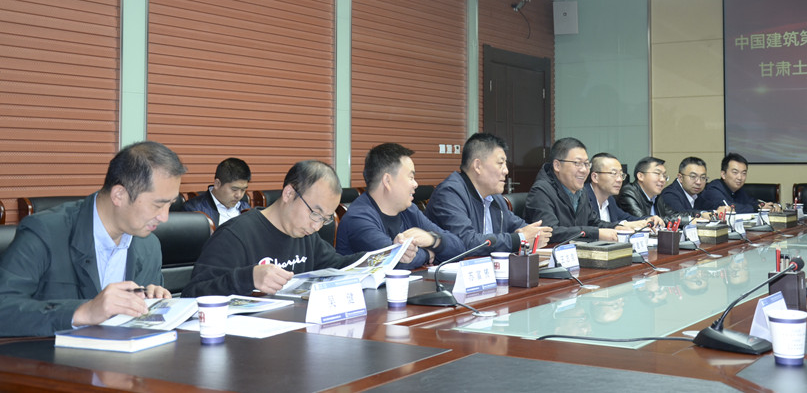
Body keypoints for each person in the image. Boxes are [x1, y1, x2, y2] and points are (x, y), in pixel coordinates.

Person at [0, 141, 185, 337]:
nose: (164, 217)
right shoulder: (45, 232)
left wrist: (151, 301)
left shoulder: (149, 245)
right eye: (158, 205)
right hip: (49, 354)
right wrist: (84, 312)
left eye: (170, 204)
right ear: (119, 195)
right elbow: (4, 308)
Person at [182, 160, 390, 297]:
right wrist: (249, 278)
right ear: (289, 194)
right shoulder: (235, 235)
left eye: (325, 219)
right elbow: (192, 294)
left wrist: (388, 255)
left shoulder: (305, 234)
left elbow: (338, 266)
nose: (317, 226)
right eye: (315, 213)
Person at [335, 143, 465, 270]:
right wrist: (428, 254)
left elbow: (460, 248)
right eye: (411, 177)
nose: (415, 184)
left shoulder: (409, 210)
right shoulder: (358, 218)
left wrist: (432, 240)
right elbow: (395, 260)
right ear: (387, 181)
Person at [426, 133, 551, 255]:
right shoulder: (450, 194)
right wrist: (518, 239)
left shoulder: (495, 198)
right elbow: (466, 242)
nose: (506, 171)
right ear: (478, 166)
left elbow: (518, 226)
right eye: (500, 163)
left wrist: (534, 233)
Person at [525, 138, 623, 242]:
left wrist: (617, 227)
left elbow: (593, 222)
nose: (584, 170)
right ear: (557, 165)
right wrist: (596, 233)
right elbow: (550, 232)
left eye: (586, 164)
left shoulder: (580, 190)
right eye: (577, 163)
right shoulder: (541, 191)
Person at [585, 152, 661, 229]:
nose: (619, 179)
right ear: (595, 177)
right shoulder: (583, 198)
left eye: (621, 174)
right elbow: (591, 226)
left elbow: (627, 218)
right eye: (613, 173)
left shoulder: (610, 199)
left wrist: (648, 219)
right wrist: (623, 224)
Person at [701, 153, 780, 214]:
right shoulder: (713, 189)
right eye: (735, 172)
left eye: (743, 173)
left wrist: (770, 206)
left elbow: (753, 202)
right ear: (723, 174)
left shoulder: (738, 190)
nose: (740, 177)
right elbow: (729, 208)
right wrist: (757, 207)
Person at [183, 157, 252, 226]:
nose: (239, 195)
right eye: (234, 189)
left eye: (243, 190)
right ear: (217, 184)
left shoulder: (246, 208)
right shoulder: (194, 210)